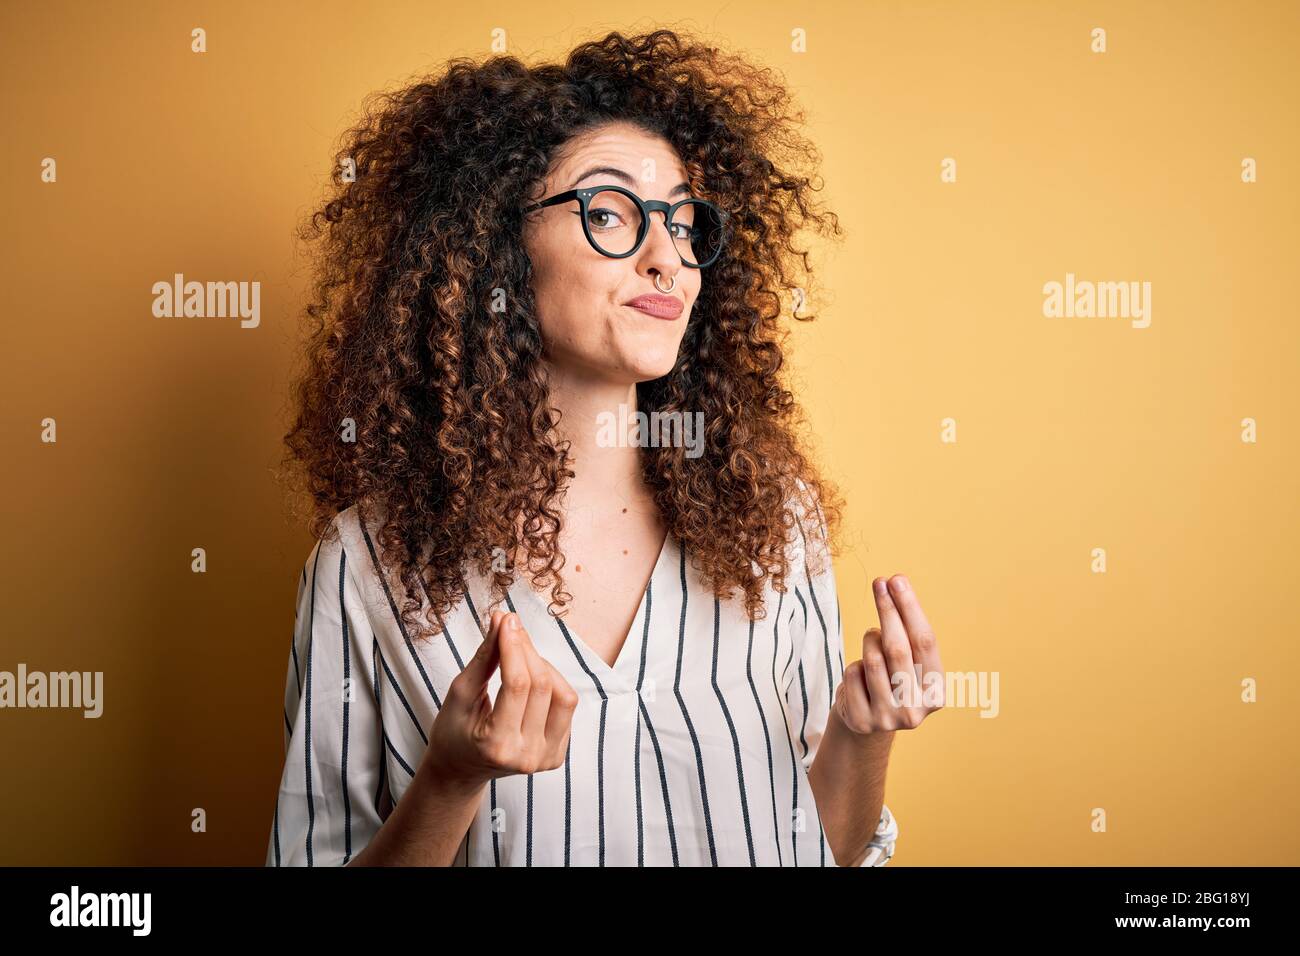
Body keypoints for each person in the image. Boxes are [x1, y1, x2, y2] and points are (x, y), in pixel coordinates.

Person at [267, 28, 943, 867]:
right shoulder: (368, 564)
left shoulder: (772, 519)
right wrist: (451, 778)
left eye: (683, 220)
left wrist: (859, 736)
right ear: (494, 251)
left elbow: (820, 853)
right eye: (611, 213)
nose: (668, 259)